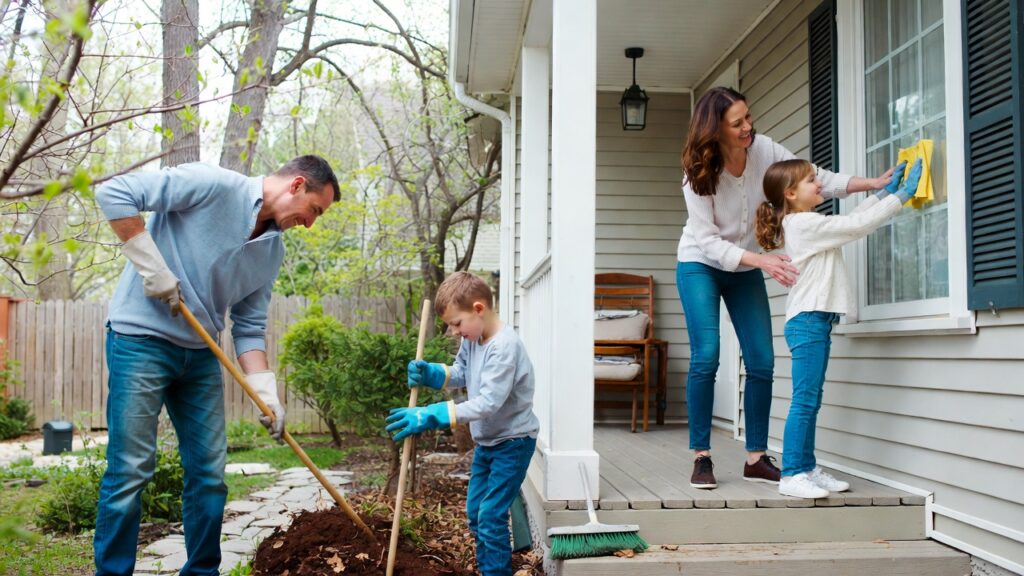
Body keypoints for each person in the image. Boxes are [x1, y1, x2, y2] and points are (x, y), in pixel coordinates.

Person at [93, 156, 339, 576]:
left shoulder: (271, 251)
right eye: (315, 210)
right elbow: (113, 193)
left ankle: (202, 571)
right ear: (297, 185)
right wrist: (152, 267)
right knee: (132, 468)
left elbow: (248, 326)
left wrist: (266, 392)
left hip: (200, 355)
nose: (311, 223)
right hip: (139, 341)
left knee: (209, 474)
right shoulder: (212, 184)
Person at [677, 87, 897, 489]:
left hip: (745, 265)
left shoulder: (762, 149)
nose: (748, 127)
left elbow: (815, 176)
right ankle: (702, 456)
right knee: (707, 355)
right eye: (737, 122)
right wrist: (761, 260)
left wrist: (873, 183)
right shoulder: (697, 175)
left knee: (761, 359)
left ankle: (756, 458)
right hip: (699, 263)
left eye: (748, 116)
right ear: (715, 129)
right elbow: (708, 242)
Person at [755, 158, 922, 498]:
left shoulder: (807, 222)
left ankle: (806, 467)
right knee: (804, 401)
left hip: (816, 321)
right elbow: (855, 227)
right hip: (808, 322)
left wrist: (882, 193)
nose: (819, 184)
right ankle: (792, 475)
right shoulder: (801, 223)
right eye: (811, 180)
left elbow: (848, 222)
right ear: (790, 193)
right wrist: (899, 196)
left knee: (811, 400)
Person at [386, 271, 539, 576]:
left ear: (479, 309)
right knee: (476, 513)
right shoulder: (474, 338)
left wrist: (431, 415)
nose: (454, 331)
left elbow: (488, 402)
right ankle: (492, 562)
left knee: (490, 514)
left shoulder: (504, 347)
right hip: (488, 442)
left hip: (513, 442)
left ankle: (495, 572)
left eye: (457, 323)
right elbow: (460, 372)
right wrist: (430, 373)